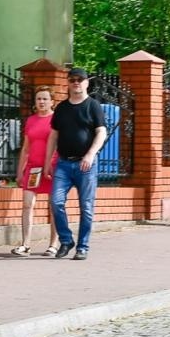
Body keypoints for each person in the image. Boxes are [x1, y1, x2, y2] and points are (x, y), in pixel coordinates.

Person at [45, 67, 109, 260]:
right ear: (68, 82)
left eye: (80, 79)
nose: (76, 82)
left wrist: (90, 154)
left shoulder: (93, 106)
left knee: (86, 207)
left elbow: (101, 132)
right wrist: (48, 161)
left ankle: (82, 246)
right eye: (72, 79)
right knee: (55, 202)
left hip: (86, 165)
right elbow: (54, 135)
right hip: (63, 164)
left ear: (87, 82)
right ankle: (66, 240)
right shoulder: (62, 108)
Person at [11, 87, 60, 256]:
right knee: (27, 205)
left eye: (45, 99)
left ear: (52, 102)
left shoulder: (56, 120)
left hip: (52, 169)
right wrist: (19, 171)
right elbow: (25, 148)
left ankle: (53, 244)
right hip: (33, 169)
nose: (41, 102)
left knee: (53, 207)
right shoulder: (31, 120)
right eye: (39, 98)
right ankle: (25, 244)